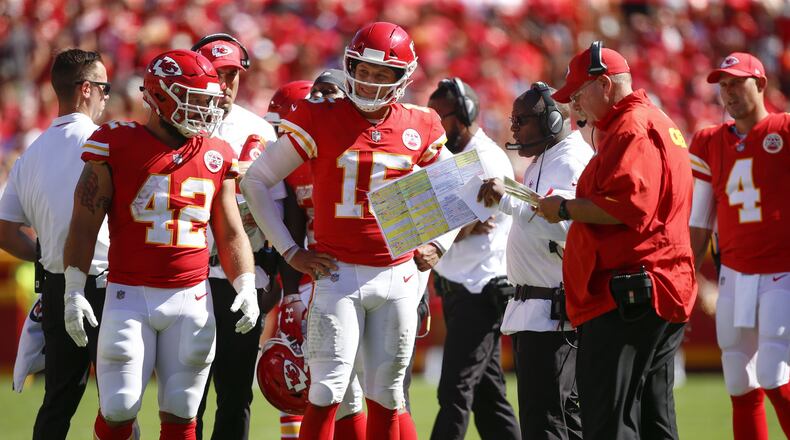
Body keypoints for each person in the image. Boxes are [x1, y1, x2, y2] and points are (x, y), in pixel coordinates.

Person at [242, 21, 454, 440]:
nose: (370, 82)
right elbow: (255, 181)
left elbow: (453, 189)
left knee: (389, 393)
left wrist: (439, 244)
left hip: (397, 274)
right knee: (326, 389)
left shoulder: (421, 123)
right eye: (364, 71)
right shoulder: (319, 117)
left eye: (382, 75)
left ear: (403, 77)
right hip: (336, 273)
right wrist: (290, 251)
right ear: (349, 67)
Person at [62, 49, 260, 440]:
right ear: (162, 96)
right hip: (128, 293)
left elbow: (231, 231)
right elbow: (84, 223)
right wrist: (72, 287)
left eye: (209, 101)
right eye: (196, 99)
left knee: (183, 411)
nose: (205, 111)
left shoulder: (217, 153)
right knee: (118, 407)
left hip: (191, 296)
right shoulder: (115, 142)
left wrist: (247, 284)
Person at [539, 42, 697, 440]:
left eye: (578, 94)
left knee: (610, 420)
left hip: (629, 294)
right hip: (656, 286)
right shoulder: (653, 120)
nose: (574, 107)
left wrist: (564, 209)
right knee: (652, 418)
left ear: (605, 85)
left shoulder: (631, 127)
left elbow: (628, 206)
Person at [0, 48, 110, 440]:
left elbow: (5, 229)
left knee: (58, 401)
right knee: (120, 400)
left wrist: (45, 259)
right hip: (107, 284)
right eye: (104, 87)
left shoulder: (31, 155)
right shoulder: (104, 142)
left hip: (57, 284)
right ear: (85, 90)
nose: (107, 96)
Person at [478, 82, 591, 439]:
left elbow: (569, 227)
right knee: (558, 419)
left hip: (553, 313)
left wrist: (508, 200)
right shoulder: (546, 159)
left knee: (547, 421)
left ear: (554, 121)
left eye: (522, 120)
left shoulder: (570, 160)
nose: (514, 128)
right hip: (539, 309)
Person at [688, 52, 790, 440]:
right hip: (734, 274)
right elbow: (700, 219)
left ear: (760, 84)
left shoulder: (784, 128)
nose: (728, 92)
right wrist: (686, 275)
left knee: (773, 374)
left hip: (782, 271)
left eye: (737, 82)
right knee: (739, 382)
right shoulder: (710, 140)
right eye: (723, 84)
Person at [190, 33, 283, 440]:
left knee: (234, 391)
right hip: (186, 275)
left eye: (232, 74)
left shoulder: (257, 129)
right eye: (216, 72)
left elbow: (279, 209)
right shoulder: (176, 124)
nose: (225, 83)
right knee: (185, 394)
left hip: (243, 276)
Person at [262, 79, 367, 440]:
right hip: (316, 277)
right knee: (308, 381)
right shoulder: (289, 165)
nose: (281, 134)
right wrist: (291, 295)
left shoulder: (355, 150)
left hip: (368, 273)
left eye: (284, 125)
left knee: (378, 387)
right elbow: (291, 227)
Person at [424, 77, 520, 440]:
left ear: (463, 115)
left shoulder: (486, 158)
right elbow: (454, 219)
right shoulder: (448, 157)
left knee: (454, 390)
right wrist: (454, 220)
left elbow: (464, 224)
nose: (434, 124)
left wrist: (451, 222)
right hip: (459, 283)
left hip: (480, 287)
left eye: (440, 116)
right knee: (487, 396)